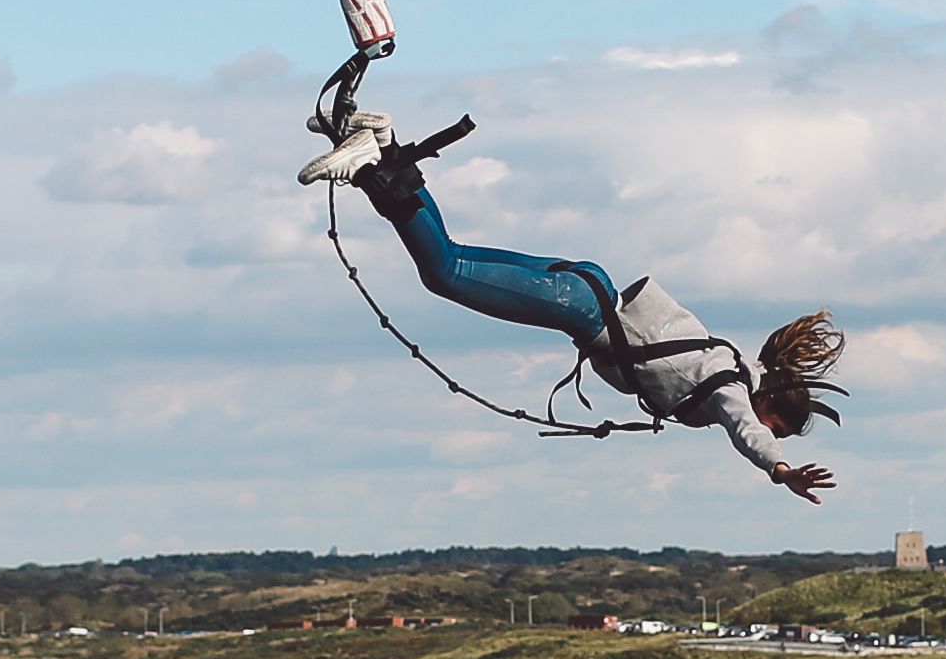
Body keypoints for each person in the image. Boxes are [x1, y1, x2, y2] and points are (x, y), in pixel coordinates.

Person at [304, 110, 845, 498]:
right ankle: (372, 162)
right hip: (580, 307)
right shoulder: (731, 389)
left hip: (586, 289)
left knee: (452, 260)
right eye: (778, 427)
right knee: (446, 273)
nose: (766, 430)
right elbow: (746, 432)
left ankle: (381, 142)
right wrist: (780, 470)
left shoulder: (728, 365)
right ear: (770, 406)